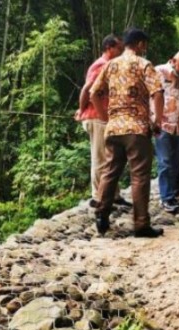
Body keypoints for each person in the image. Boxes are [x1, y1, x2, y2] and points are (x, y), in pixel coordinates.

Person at [89, 28, 165, 238]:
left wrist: (105, 117)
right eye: (145, 45)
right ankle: (141, 224)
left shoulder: (110, 65)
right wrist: (157, 120)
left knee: (110, 171)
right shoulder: (143, 64)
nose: (145, 49)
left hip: (113, 128)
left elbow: (93, 92)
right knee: (139, 175)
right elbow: (158, 92)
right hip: (136, 128)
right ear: (140, 44)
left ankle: (101, 214)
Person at [74, 34, 131, 208]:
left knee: (111, 157)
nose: (121, 52)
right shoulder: (100, 66)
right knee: (100, 157)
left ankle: (113, 194)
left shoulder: (110, 66)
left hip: (105, 117)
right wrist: (82, 110)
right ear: (109, 48)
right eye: (118, 49)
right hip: (97, 117)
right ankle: (98, 197)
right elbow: (87, 90)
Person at [154, 49, 179, 213]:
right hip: (162, 125)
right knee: (165, 162)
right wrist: (153, 119)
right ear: (173, 60)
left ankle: (173, 195)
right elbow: (151, 95)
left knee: (176, 163)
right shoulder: (159, 71)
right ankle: (166, 198)